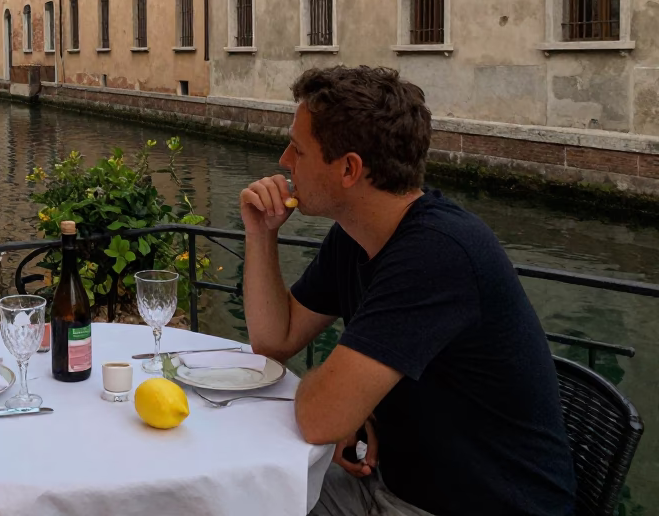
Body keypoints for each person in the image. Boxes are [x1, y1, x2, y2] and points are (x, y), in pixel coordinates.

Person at [240, 66, 575, 516]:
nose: (284, 160)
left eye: (298, 149)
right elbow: (274, 340)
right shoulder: (356, 234)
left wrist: (344, 403)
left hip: (473, 506)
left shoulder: (437, 253)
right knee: (243, 497)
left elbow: (320, 418)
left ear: (349, 169)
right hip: (390, 483)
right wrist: (261, 233)